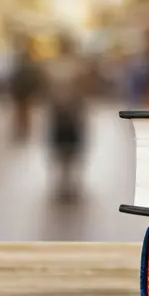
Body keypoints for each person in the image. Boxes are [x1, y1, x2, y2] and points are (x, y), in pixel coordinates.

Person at [40, 34, 92, 201]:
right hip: (68, 113)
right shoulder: (76, 66)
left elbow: (46, 90)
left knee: (64, 147)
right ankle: (67, 179)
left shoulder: (53, 66)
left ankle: (65, 179)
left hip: (64, 112)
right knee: (69, 147)